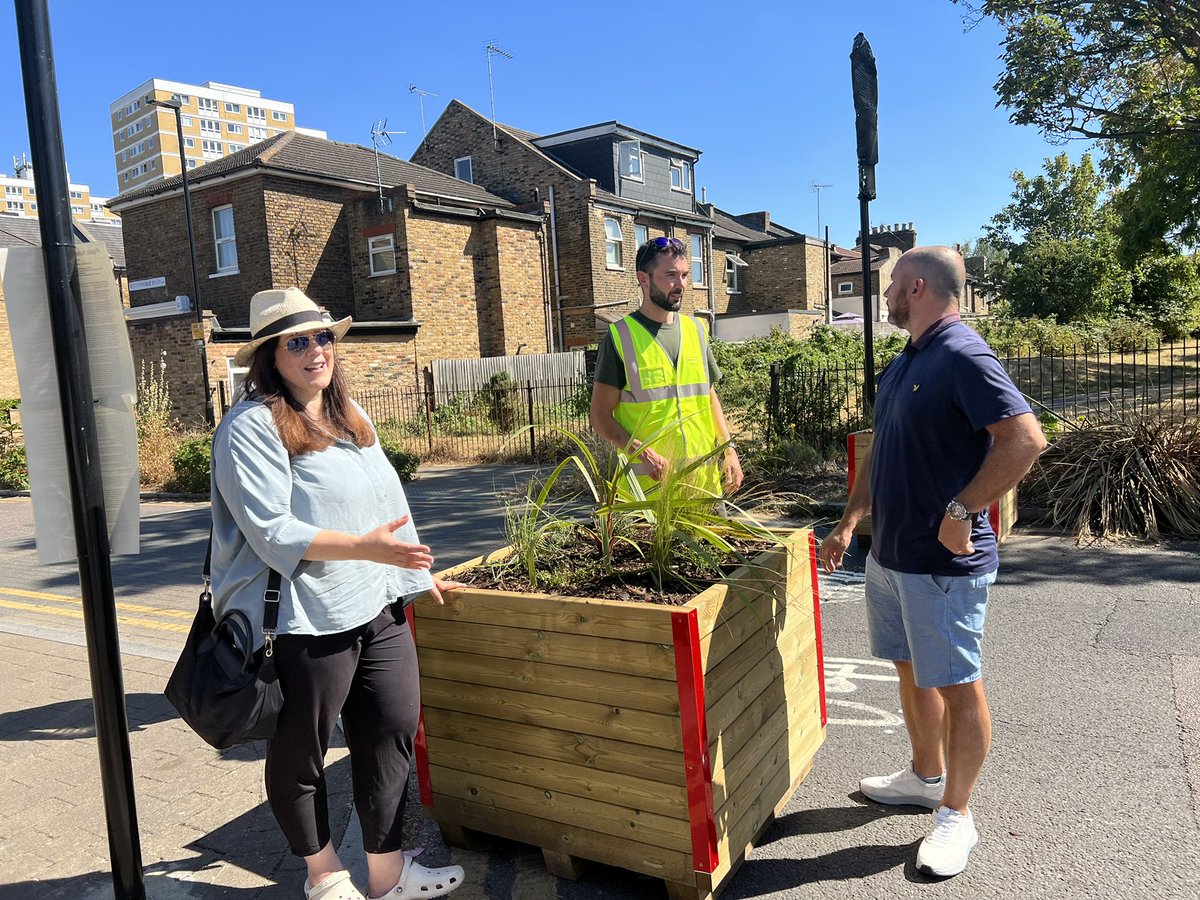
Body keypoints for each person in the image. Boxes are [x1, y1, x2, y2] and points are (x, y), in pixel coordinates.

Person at [211, 287, 465, 900]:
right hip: (305, 617)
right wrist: (367, 549)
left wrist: (412, 570)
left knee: (393, 727)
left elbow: (388, 506)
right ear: (269, 356)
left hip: (378, 603)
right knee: (303, 752)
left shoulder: (351, 417)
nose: (314, 350)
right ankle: (323, 874)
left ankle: (387, 872)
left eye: (322, 337)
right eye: (295, 342)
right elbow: (274, 530)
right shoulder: (250, 427)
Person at [818, 246, 1046, 878]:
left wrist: (961, 508)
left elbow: (1025, 439)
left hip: (942, 565)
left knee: (955, 681)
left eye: (891, 283)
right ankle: (924, 775)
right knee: (910, 671)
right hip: (890, 557)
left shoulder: (961, 354)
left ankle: (957, 814)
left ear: (915, 287)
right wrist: (848, 523)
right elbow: (877, 451)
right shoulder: (907, 361)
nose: (885, 293)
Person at [589, 236, 743, 497]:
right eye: (670, 275)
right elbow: (600, 417)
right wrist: (641, 452)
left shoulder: (696, 330)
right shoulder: (621, 337)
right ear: (643, 279)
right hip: (646, 494)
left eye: (684, 275)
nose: (680, 284)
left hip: (703, 486)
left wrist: (728, 450)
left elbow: (709, 397)